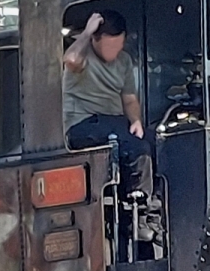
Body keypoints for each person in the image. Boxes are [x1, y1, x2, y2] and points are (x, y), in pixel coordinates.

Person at [63, 10, 154, 201]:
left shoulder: (124, 61)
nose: (115, 50)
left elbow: (129, 98)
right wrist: (87, 32)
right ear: (95, 39)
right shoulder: (82, 55)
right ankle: (137, 195)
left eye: (119, 44)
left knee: (152, 139)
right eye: (109, 45)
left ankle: (147, 200)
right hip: (84, 123)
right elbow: (70, 60)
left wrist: (136, 121)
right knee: (123, 140)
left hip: (116, 122)